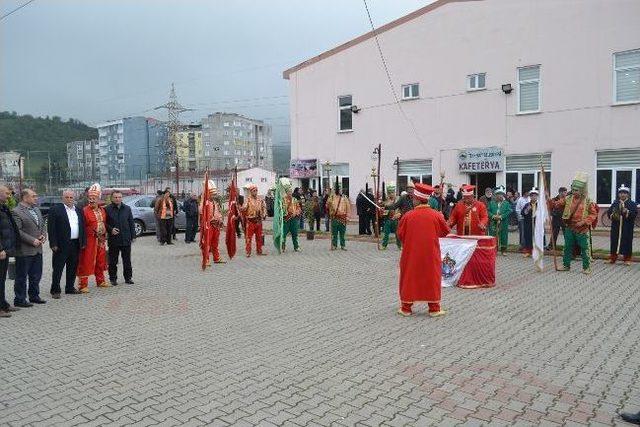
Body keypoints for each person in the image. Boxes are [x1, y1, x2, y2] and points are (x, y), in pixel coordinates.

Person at [397, 183, 450, 317]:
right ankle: (434, 308)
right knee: (431, 277)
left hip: (411, 254)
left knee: (410, 277)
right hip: (430, 254)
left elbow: (400, 234)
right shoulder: (436, 215)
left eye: (413, 198)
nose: (412, 200)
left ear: (417, 199)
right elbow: (445, 232)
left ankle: (406, 308)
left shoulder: (408, 215)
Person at [549, 172, 598, 274]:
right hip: (569, 228)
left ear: (581, 190)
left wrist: (583, 222)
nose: (574, 191)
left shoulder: (588, 201)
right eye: (573, 189)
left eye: (576, 190)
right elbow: (556, 204)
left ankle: (586, 267)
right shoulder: (567, 199)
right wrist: (548, 200)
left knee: (585, 248)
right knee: (567, 247)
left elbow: (593, 214)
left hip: (582, 229)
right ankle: (566, 265)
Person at [47, 190, 86, 298]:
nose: (69, 199)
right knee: (58, 267)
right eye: (67, 197)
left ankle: (69, 287)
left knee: (73, 267)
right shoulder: (55, 210)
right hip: (61, 244)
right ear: (62, 198)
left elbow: (82, 226)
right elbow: (51, 228)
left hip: (75, 243)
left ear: (74, 198)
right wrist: (53, 243)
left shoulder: (78, 210)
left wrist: (83, 241)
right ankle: (55, 290)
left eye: (71, 197)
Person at [12, 188, 47, 306]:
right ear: (25, 197)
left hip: (38, 249)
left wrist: (43, 235)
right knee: (21, 276)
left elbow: (42, 225)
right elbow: (18, 231)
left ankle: (34, 296)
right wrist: (32, 240)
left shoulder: (36, 209)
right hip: (25, 250)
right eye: (33, 196)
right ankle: (20, 299)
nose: (36, 198)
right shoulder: (16, 211)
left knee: (36, 275)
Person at [77, 183, 109, 292]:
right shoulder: (84, 211)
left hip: (101, 240)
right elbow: (81, 227)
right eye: (90, 198)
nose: (92, 200)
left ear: (98, 199)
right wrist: (92, 233)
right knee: (86, 261)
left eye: (94, 198)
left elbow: (104, 223)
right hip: (90, 240)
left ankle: (100, 281)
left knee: (100, 261)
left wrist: (104, 234)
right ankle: (83, 285)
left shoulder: (102, 210)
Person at [105, 191, 136, 286]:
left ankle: (128, 278)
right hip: (114, 239)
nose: (117, 199)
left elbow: (131, 222)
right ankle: (113, 279)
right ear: (112, 198)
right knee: (113, 261)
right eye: (115, 197)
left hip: (126, 238)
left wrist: (133, 236)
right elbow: (104, 223)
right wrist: (110, 230)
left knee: (127, 260)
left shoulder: (127, 208)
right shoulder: (107, 209)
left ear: (122, 198)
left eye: (119, 197)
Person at [0, 185, 20, 317]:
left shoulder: (4, 208)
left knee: (2, 279)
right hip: (1, 250)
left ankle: (3, 304)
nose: (9, 196)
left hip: (6, 250)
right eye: (7, 194)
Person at [607, 184, 637, 265]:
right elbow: (609, 212)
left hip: (627, 227)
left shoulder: (632, 204)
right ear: (618, 194)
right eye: (621, 193)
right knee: (614, 241)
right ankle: (613, 258)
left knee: (627, 241)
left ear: (628, 194)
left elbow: (634, 214)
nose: (622, 194)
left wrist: (627, 211)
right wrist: (614, 214)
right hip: (616, 227)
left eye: (624, 193)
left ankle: (627, 259)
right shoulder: (615, 203)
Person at [201, 180, 226, 265]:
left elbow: (218, 213)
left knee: (215, 243)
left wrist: (221, 221)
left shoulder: (215, 203)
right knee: (207, 243)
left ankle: (216, 258)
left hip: (216, 225)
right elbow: (201, 211)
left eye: (214, 194)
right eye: (212, 194)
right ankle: (206, 260)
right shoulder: (205, 203)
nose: (214, 196)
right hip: (209, 225)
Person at [240, 184, 267, 257]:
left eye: (256, 190)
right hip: (250, 221)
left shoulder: (260, 200)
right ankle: (248, 252)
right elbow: (244, 208)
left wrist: (264, 214)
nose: (255, 192)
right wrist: (241, 208)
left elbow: (264, 207)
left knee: (259, 237)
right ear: (251, 192)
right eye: (254, 191)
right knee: (249, 238)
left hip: (259, 221)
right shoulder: (247, 200)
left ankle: (259, 251)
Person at [488, 186, 512, 255]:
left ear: (503, 195)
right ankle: (494, 250)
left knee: (503, 236)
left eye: (501, 194)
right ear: (495, 195)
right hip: (493, 222)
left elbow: (509, 211)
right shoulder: (491, 203)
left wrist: (501, 216)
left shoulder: (506, 203)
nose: (499, 196)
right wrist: (493, 216)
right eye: (498, 194)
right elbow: (488, 211)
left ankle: (503, 250)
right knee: (493, 236)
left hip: (503, 222)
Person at [327, 184, 351, 251]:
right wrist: (329, 201)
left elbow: (348, 208)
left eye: (340, 189)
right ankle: (334, 245)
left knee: (342, 233)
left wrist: (348, 217)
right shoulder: (331, 197)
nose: (338, 190)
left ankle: (343, 245)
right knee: (334, 233)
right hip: (334, 218)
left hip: (343, 218)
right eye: (337, 189)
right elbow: (327, 206)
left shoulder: (344, 197)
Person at [282, 181, 302, 252]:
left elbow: (298, 208)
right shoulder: (283, 199)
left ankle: (296, 247)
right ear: (286, 192)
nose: (290, 193)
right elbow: (281, 209)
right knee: (283, 234)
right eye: (288, 191)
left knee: (295, 234)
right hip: (286, 219)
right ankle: (283, 247)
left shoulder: (295, 199)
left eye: (290, 191)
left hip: (294, 219)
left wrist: (296, 212)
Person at [381, 182, 402, 250]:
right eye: (389, 192)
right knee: (386, 233)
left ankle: (400, 246)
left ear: (394, 191)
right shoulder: (385, 201)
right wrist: (383, 210)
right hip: (388, 219)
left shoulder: (399, 199)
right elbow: (383, 212)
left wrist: (399, 214)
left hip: (396, 219)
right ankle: (384, 245)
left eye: (392, 192)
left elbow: (402, 209)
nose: (391, 194)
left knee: (398, 234)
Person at [521, 188, 539, 258]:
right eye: (532, 196)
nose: (533, 197)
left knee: (536, 237)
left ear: (537, 197)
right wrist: (526, 210)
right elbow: (522, 213)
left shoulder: (539, 205)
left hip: (536, 223)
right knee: (528, 237)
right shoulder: (527, 205)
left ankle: (537, 251)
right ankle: (528, 251)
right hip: (528, 223)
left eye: (535, 196)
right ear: (530, 197)